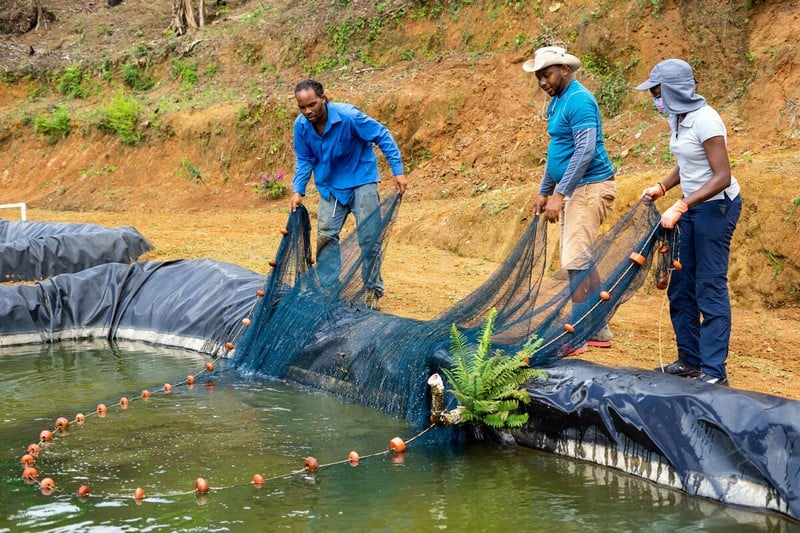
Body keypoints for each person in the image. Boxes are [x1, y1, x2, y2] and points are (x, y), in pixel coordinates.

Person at [637, 59, 742, 386]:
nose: (656, 101)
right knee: (681, 286)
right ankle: (690, 360)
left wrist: (680, 204)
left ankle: (713, 373)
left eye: (658, 94)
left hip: (716, 208)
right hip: (693, 207)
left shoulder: (706, 120)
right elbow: (688, 163)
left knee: (708, 285)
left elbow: (721, 176)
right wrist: (663, 187)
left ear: (675, 90)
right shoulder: (678, 118)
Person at [522, 46, 617, 354]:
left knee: (576, 259)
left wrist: (560, 194)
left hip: (590, 187)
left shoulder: (579, 101)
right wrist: (544, 191)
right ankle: (598, 327)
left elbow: (585, 151)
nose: (542, 82)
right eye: (538, 77)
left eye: (546, 75)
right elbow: (558, 152)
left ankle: (578, 335)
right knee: (581, 257)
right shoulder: (559, 102)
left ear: (564, 70)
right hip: (574, 188)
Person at [289, 79, 407, 311]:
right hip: (331, 186)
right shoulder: (301, 126)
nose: (308, 111)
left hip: (361, 180)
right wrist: (298, 189)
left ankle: (372, 289)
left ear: (323, 98)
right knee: (326, 236)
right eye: (302, 107)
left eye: (312, 104)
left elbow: (381, 135)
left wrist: (398, 171)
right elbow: (304, 159)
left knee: (368, 238)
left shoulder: (349, 116)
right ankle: (330, 289)